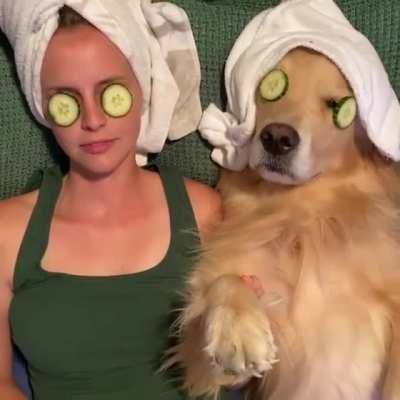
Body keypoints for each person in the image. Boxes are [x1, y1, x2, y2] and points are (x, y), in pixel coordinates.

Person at [0, 5, 224, 399]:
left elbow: (242, 371)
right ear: (44, 108)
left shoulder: (204, 211)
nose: (92, 119)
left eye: (111, 94)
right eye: (66, 100)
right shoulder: (7, 233)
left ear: (141, 91)